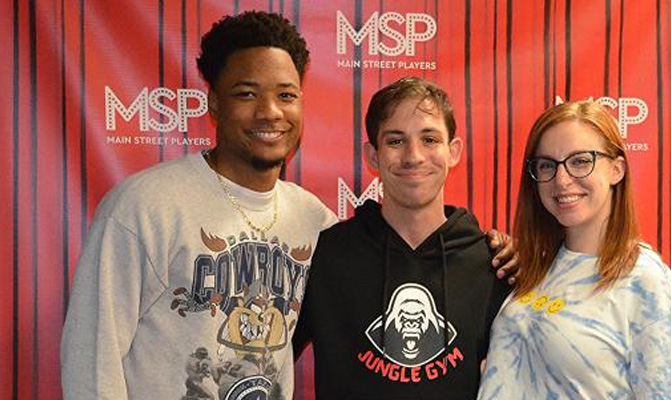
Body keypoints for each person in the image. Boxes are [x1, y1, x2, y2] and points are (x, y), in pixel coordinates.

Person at [61, 11, 337, 400]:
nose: (270, 111)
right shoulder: (144, 207)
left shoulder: (316, 220)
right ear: (214, 104)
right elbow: (91, 359)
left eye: (286, 95)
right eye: (247, 93)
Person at [293, 77, 512, 399]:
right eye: (396, 141)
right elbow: (266, 356)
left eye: (429, 139)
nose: (414, 156)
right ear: (372, 156)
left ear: (453, 151)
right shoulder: (326, 255)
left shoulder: (494, 264)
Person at [477, 101, 671, 399]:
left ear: (617, 169)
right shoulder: (535, 266)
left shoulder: (645, 278)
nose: (562, 180)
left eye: (580, 161)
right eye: (547, 165)